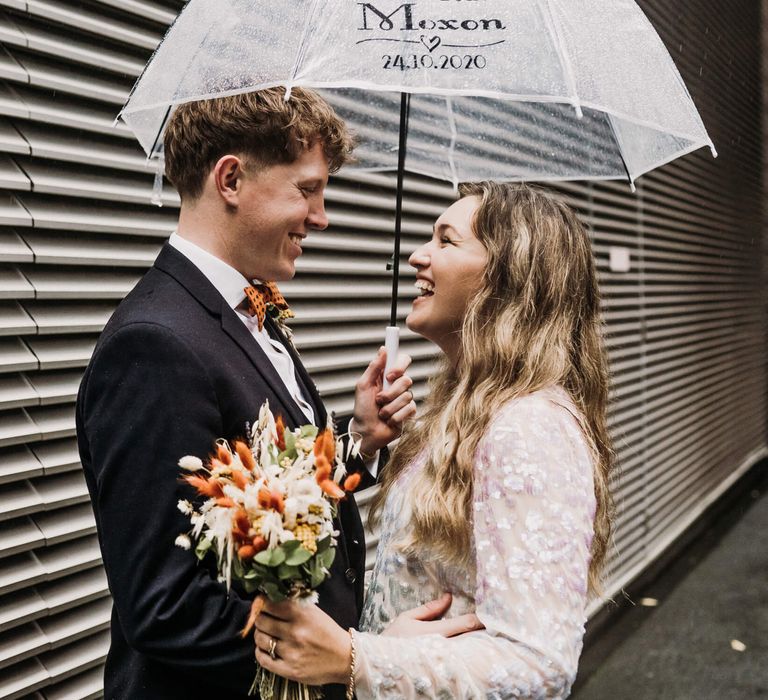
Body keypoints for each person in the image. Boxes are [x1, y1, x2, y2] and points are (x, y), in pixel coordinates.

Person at [77, 88, 436, 700]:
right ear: (232, 178)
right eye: (307, 189)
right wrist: (350, 659)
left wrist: (359, 443)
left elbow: (271, 498)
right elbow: (167, 607)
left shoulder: (249, 311)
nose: (321, 216)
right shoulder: (153, 345)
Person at [252, 182, 615, 699]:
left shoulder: (531, 427)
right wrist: (361, 438)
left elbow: (538, 663)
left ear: (507, 277)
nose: (418, 255)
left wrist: (357, 658)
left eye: (446, 241)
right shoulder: (467, 411)